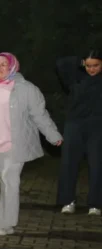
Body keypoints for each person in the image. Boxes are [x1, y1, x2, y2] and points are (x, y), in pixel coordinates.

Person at [0, 53, 63, 236]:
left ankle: (6, 224)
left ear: (13, 67)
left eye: (4, 64)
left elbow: (40, 115)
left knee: (9, 183)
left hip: (13, 144)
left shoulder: (27, 89)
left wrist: (53, 135)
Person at [55, 49, 102, 216]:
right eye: (88, 65)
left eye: (95, 65)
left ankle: (96, 204)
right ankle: (68, 202)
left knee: (97, 165)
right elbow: (61, 63)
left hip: (97, 128)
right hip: (74, 126)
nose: (92, 69)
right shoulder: (76, 77)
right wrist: (80, 62)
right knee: (68, 164)